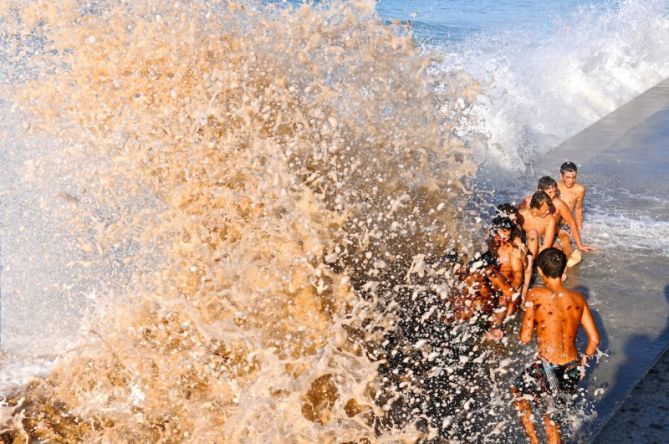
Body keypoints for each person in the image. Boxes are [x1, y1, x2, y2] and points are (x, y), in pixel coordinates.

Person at [512, 248, 600, 444]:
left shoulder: (535, 295)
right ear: (562, 270)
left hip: (547, 366)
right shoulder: (579, 299)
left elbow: (525, 337)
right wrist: (582, 364)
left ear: (541, 272)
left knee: (518, 394)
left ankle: (534, 441)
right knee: (552, 421)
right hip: (572, 366)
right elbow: (594, 340)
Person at [520, 176, 595, 267]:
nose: (552, 195)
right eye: (549, 192)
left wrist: (580, 244)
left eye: (555, 192)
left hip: (553, 232)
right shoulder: (528, 202)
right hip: (533, 233)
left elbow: (571, 222)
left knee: (562, 241)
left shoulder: (559, 204)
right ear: (540, 190)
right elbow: (518, 219)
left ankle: (568, 260)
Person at [453, 252, 517, 340]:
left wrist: (507, 311)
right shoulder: (466, 282)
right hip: (480, 309)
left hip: (488, 307)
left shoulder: (492, 276)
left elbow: (514, 296)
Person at [488, 216, 524, 314]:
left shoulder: (512, 250)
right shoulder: (491, 246)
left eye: (508, 236)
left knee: (494, 275)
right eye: (503, 236)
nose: (506, 239)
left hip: (508, 288)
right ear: (494, 233)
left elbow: (518, 276)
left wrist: (506, 292)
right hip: (493, 288)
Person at [518, 191, 556, 259]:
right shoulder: (521, 215)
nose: (548, 212)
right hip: (524, 245)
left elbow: (546, 245)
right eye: (546, 209)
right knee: (532, 234)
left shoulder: (550, 220)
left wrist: (532, 258)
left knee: (533, 234)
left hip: (540, 247)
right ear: (535, 209)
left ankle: (531, 264)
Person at [557, 162, 586, 230]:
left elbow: (578, 209)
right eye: (568, 177)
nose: (571, 180)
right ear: (561, 176)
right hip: (553, 222)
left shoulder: (579, 190)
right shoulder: (555, 187)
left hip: (566, 224)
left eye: (574, 177)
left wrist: (579, 228)